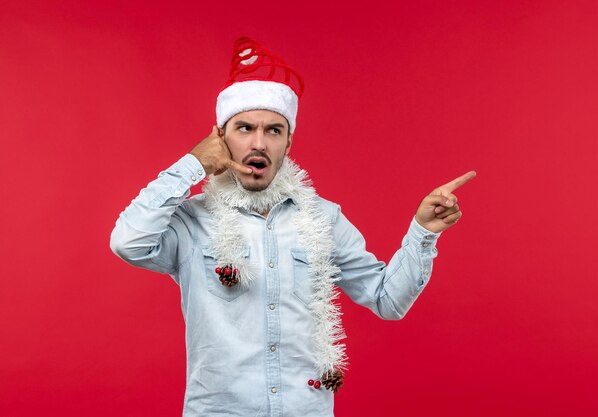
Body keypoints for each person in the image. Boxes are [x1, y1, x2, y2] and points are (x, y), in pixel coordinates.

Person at [110, 37, 476, 417]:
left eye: (273, 130)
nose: (259, 143)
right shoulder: (191, 220)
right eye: (244, 127)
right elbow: (128, 243)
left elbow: (388, 300)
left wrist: (423, 231)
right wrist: (192, 165)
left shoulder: (325, 217)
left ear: (288, 143)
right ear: (219, 138)